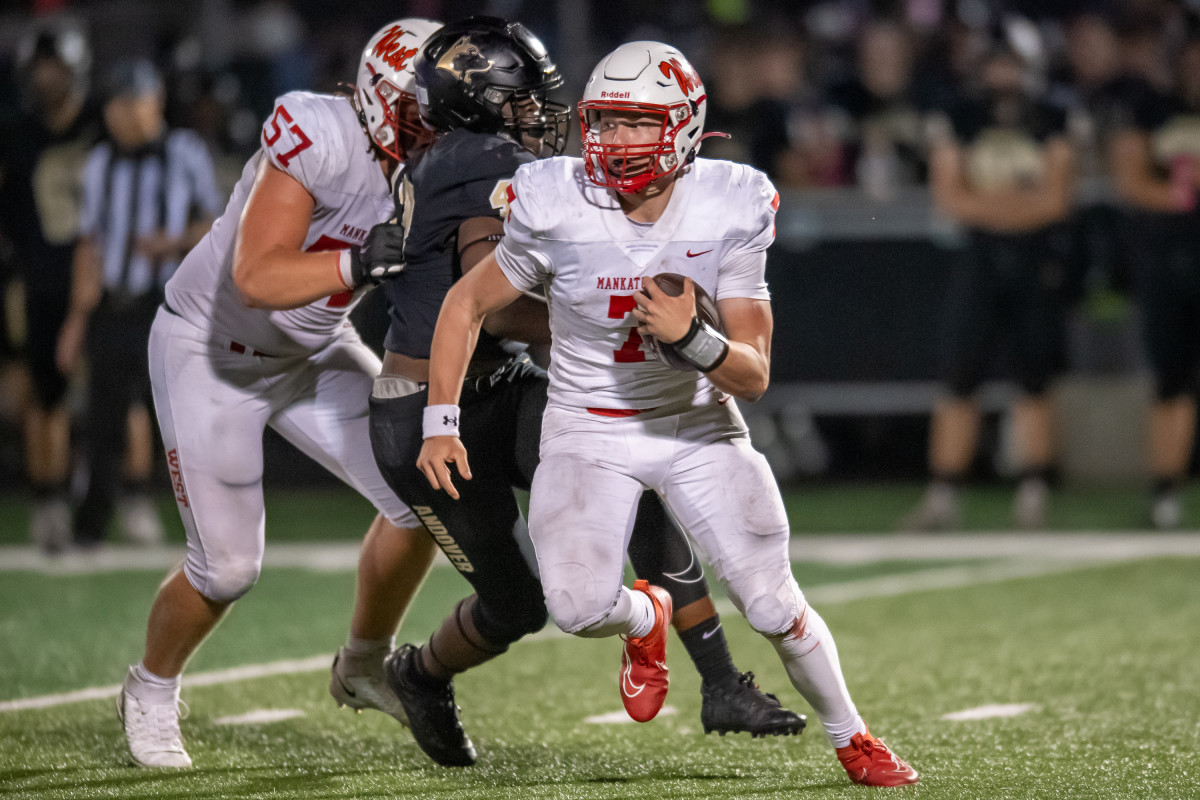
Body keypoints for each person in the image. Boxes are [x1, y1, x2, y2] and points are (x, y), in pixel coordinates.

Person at [417, 40, 919, 787]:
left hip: (697, 426)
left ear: (683, 126)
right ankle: (646, 616)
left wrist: (694, 339)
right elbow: (467, 304)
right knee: (579, 608)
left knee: (773, 603)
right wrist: (439, 420)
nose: (613, 141)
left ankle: (853, 737)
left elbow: (753, 376)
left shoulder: (731, 202)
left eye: (634, 123)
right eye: (604, 122)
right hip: (588, 425)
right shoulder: (555, 199)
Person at [365, 17, 803, 768]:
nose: (539, 114)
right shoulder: (482, 160)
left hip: (501, 382)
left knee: (635, 471)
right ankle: (419, 672)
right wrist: (614, 319)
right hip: (429, 407)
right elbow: (491, 304)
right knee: (518, 607)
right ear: (481, 102)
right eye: (522, 99)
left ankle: (722, 681)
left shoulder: (454, 153)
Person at [117, 19, 443, 769]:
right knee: (227, 568)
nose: (438, 126)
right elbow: (257, 276)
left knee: (422, 494)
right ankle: (151, 686)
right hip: (212, 350)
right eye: (426, 109)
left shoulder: (433, 163)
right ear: (381, 97)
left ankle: (364, 662)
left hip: (314, 348)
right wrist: (357, 263)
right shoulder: (317, 132)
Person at [902, 37, 1077, 531]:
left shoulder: (1051, 116)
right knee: (959, 376)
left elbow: (1057, 200)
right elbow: (951, 197)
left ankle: (1035, 487)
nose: (1003, 77)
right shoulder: (960, 114)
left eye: (1012, 65)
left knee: (1034, 378)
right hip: (978, 262)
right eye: (996, 65)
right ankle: (943, 492)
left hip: (1033, 264)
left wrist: (992, 205)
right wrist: (1018, 207)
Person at [56, 59, 223, 548]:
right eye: (115, 105)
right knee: (105, 418)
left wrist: (171, 242)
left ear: (154, 103)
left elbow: (217, 226)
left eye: (130, 103)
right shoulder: (101, 163)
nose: (120, 115)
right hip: (114, 304)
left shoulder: (185, 152)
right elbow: (89, 245)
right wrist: (76, 319)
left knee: (185, 416)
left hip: (168, 304)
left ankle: (212, 523)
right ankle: (90, 529)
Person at [0, 20, 100, 553]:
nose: (45, 79)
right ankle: (49, 501)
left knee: (118, 395)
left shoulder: (103, 125)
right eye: (39, 68)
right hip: (40, 279)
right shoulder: (18, 137)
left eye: (54, 67)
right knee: (43, 395)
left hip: (103, 279)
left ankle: (114, 500)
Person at [1110, 29, 1200, 528]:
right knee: (1171, 378)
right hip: (1169, 257)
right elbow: (1130, 179)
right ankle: (1165, 489)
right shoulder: (1151, 107)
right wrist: (1185, 192)